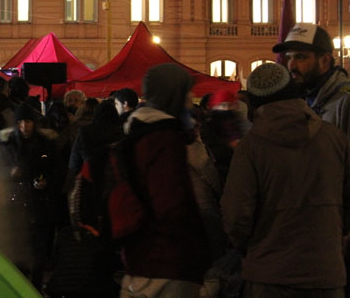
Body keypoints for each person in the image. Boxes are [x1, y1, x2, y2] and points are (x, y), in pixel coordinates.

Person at [222, 62, 350, 297]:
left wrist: (249, 249)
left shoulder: (251, 147)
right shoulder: (334, 138)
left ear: (254, 103)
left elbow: (236, 215)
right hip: (326, 273)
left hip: (269, 275)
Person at [120, 63, 210, 297]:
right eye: (186, 91)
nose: (191, 97)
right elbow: (171, 206)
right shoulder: (164, 138)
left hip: (139, 260)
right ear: (173, 94)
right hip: (167, 264)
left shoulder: (137, 131)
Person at [0, 102, 57, 289]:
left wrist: (46, 181)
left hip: (40, 202)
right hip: (15, 202)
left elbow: (57, 169)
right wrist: (10, 174)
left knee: (38, 249)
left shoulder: (46, 143)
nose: (25, 126)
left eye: (28, 122)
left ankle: (36, 286)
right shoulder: (8, 144)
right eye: (21, 122)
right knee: (18, 247)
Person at [273, 23, 350, 136]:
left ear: (324, 60)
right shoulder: (302, 98)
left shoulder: (345, 101)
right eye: (289, 57)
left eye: (300, 57)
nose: (291, 66)